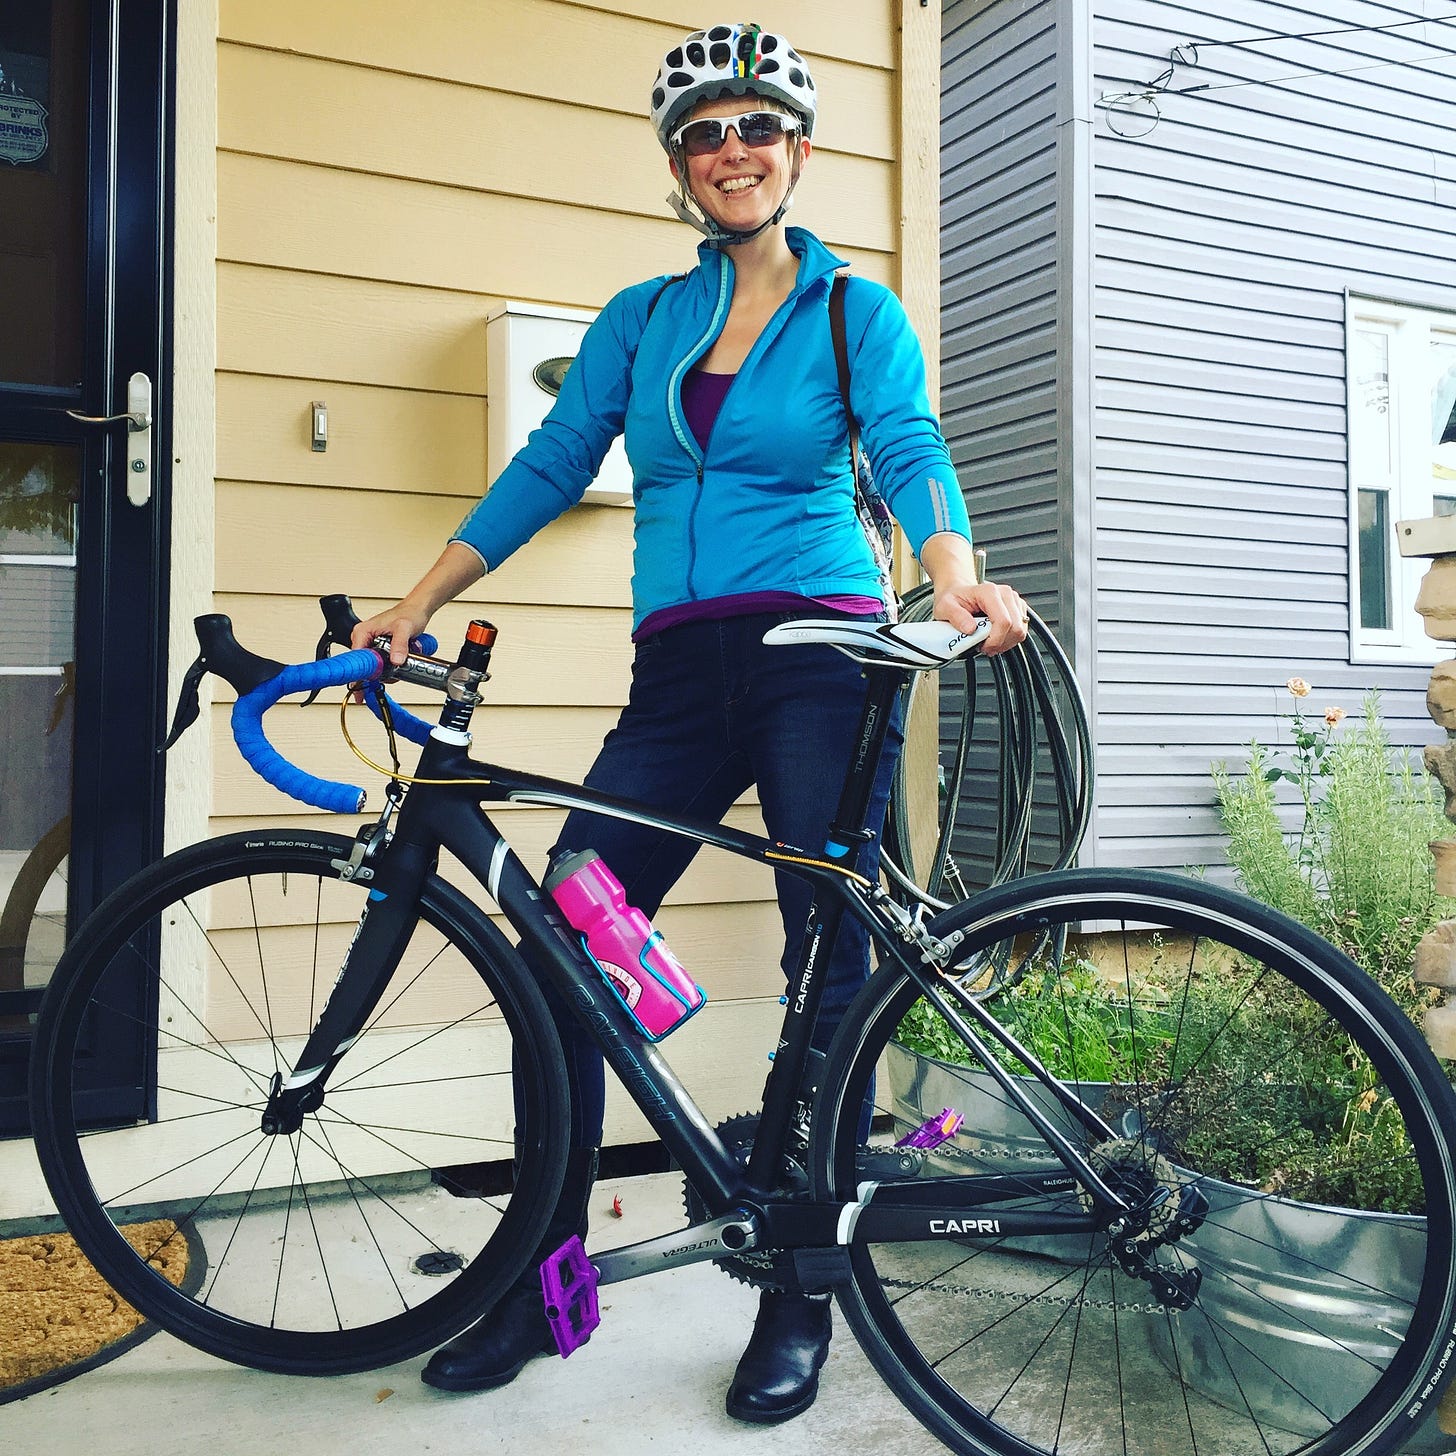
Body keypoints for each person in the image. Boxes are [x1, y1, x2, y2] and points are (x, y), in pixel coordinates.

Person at [353, 20, 1028, 1425]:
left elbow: (907, 451)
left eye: (756, 127)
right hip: (676, 676)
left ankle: (799, 1295)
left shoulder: (857, 313)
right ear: (679, 164)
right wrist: (416, 596)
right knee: (564, 946)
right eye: (705, 134)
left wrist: (949, 575)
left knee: (824, 967)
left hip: (817, 665)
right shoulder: (641, 319)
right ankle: (543, 1290)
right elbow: (551, 463)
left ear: (797, 149)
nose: (733, 151)